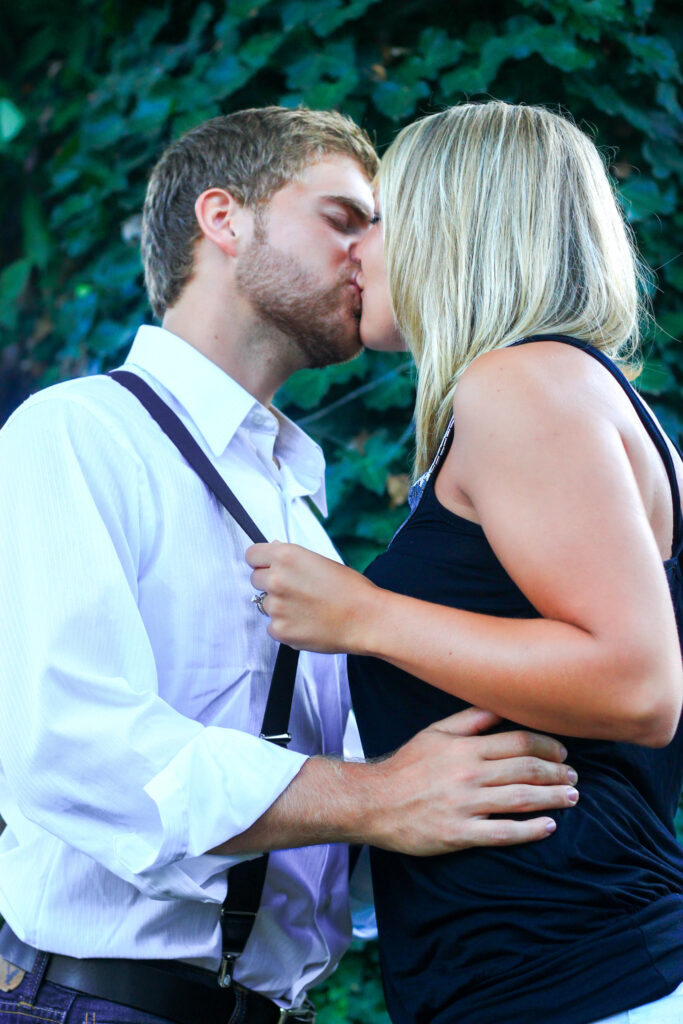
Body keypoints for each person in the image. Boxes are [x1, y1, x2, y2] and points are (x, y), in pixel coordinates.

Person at [0, 107, 580, 1024]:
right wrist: (381, 795)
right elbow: (73, 752)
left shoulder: (295, 498)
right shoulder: (73, 434)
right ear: (224, 220)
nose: (373, 254)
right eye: (344, 219)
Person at [245, 102, 683, 1024]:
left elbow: (639, 685)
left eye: (382, 219)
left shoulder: (519, 387)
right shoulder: (571, 393)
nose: (358, 253)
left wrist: (366, 616)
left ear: (456, 224)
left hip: (569, 979)